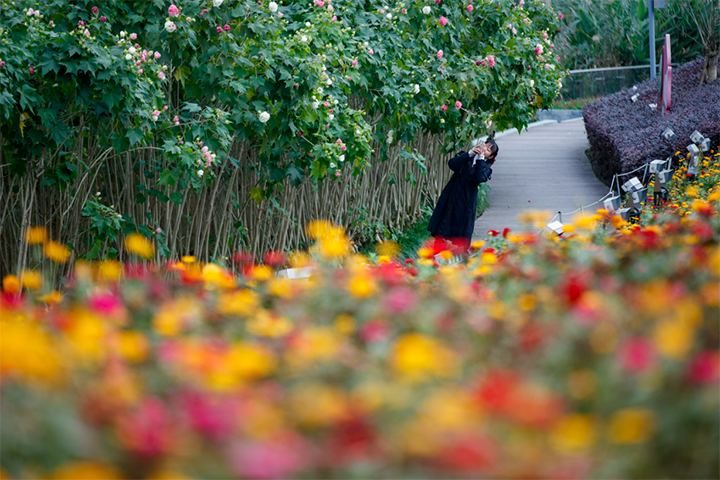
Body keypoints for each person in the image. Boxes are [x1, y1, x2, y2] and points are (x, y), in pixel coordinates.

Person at [427, 139, 499, 252]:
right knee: (445, 220)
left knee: (462, 226)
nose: (485, 148)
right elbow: (452, 164)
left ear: (490, 156)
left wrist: (480, 158)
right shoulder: (466, 157)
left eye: (489, 150)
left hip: (466, 199)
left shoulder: (485, 168)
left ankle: (460, 254)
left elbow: (479, 178)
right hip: (452, 193)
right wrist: (470, 154)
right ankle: (438, 250)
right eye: (485, 145)